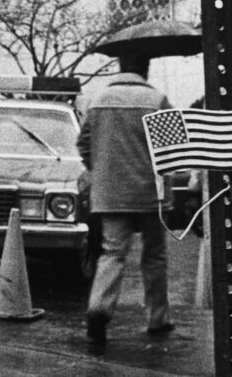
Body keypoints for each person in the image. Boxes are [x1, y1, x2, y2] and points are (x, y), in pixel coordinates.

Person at [77, 53, 173, 349]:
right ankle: (157, 318)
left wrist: (101, 169)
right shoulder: (157, 100)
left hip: (110, 193)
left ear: (120, 67)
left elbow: (83, 144)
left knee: (112, 253)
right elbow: (172, 147)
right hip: (149, 194)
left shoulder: (97, 99)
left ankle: (99, 309)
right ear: (145, 68)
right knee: (154, 256)